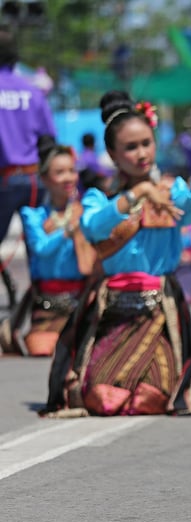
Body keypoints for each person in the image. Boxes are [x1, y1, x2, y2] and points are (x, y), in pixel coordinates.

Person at [41, 91, 191, 417]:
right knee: (103, 399)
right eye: (130, 146)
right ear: (112, 154)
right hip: (112, 312)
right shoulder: (102, 197)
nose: (142, 153)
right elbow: (93, 227)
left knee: (149, 400)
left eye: (146, 143)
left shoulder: (171, 191)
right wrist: (139, 193)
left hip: (159, 311)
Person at [0, 137, 96, 357]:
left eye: (72, 171)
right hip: (47, 303)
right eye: (59, 172)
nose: (68, 178)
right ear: (44, 178)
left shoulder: (86, 210)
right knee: (42, 349)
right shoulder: (33, 216)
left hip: (81, 300)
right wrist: (68, 231)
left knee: (84, 348)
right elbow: (41, 248)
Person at [0, 24, 56, 309]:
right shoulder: (32, 92)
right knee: (38, 245)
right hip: (33, 178)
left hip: (4, 180)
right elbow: (49, 139)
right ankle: (42, 304)